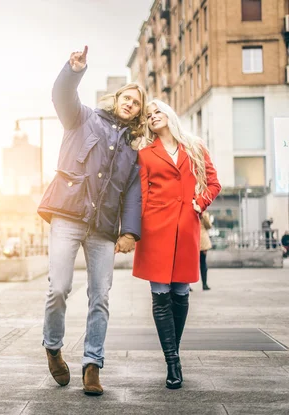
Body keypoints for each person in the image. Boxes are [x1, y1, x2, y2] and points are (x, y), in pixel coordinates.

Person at [37, 46, 145, 396]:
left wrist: (129, 232)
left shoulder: (132, 149)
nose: (130, 103)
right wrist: (73, 70)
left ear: (139, 111)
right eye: (126, 97)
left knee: (101, 297)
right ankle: (53, 348)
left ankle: (92, 365)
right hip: (67, 216)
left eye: (137, 102)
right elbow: (61, 95)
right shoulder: (83, 118)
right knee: (59, 288)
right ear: (115, 99)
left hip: (103, 229)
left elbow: (132, 194)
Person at [133, 100, 221, 390]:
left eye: (157, 111)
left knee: (181, 292)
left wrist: (200, 203)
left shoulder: (194, 147)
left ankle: (173, 352)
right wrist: (133, 229)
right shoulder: (145, 155)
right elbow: (141, 195)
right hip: (155, 229)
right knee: (160, 294)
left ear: (169, 114)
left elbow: (213, 183)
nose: (153, 117)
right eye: (149, 115)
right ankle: (173, 361)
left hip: (186, 227)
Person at [199, 212, 213, 291]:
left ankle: (187, 285)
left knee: (190, 264)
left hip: (192, 238)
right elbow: (209, 226)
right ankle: (204, 284)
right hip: (203, 240)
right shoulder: (204, 214)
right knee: (203, 263)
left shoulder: (190, 211)